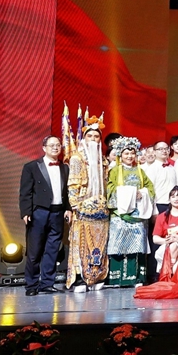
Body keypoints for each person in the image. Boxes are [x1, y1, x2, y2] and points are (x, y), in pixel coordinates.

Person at [19, 136, 72, 296]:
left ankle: (47, 283)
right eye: (52, 145)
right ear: (44, 148)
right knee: (34, 251)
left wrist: (68, 208)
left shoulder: (65, 168)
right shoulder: (32, 167)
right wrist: (26, 212)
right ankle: (31, 285)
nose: (55, 148)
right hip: (39, 212)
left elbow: (67, 192)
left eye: (58, 145)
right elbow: (25, 192)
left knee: (52, 250)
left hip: (58, 212)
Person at [66, 111, 110, 292]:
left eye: (96, 137)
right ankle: (79, 278)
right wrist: (75, 205)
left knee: (99, 244)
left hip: (101, 209)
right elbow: (73, 183)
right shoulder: (77, 158)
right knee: (80, 244)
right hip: (83, 207)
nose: (93, 139)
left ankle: (97, 276)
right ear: (84, 138)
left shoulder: (103, 160)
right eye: (90, 136)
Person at [105, 137, 154, 287]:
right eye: (126, 153)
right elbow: (110, 189)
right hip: (120, 214)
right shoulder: (114, 171)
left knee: (137, 245)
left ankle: (136, 278)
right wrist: (131, 193)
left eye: (132, 153)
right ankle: (117, 278)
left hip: (137, 214)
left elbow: (150, 188)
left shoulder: (140, 171)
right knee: (118, 245)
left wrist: (143, 193)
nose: (129, 156)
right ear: (120, 154)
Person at [151, 186, 178, 282]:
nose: (176, 199)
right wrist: (168, 240)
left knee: (174, 246)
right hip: (167, 246)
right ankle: (170, 274)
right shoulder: (162, 217)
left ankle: (170, 274)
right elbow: (155, 238)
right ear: (169, 199)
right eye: (173, 197)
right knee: (172, 246)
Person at [143, 142, 177, 215]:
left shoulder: (172, 168)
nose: (164, 151)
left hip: (173, 204)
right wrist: (154, 210)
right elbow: (149, 190)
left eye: (166, 149)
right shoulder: (152, 169)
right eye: (160, 149)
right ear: (154, 152)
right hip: (159, 205)